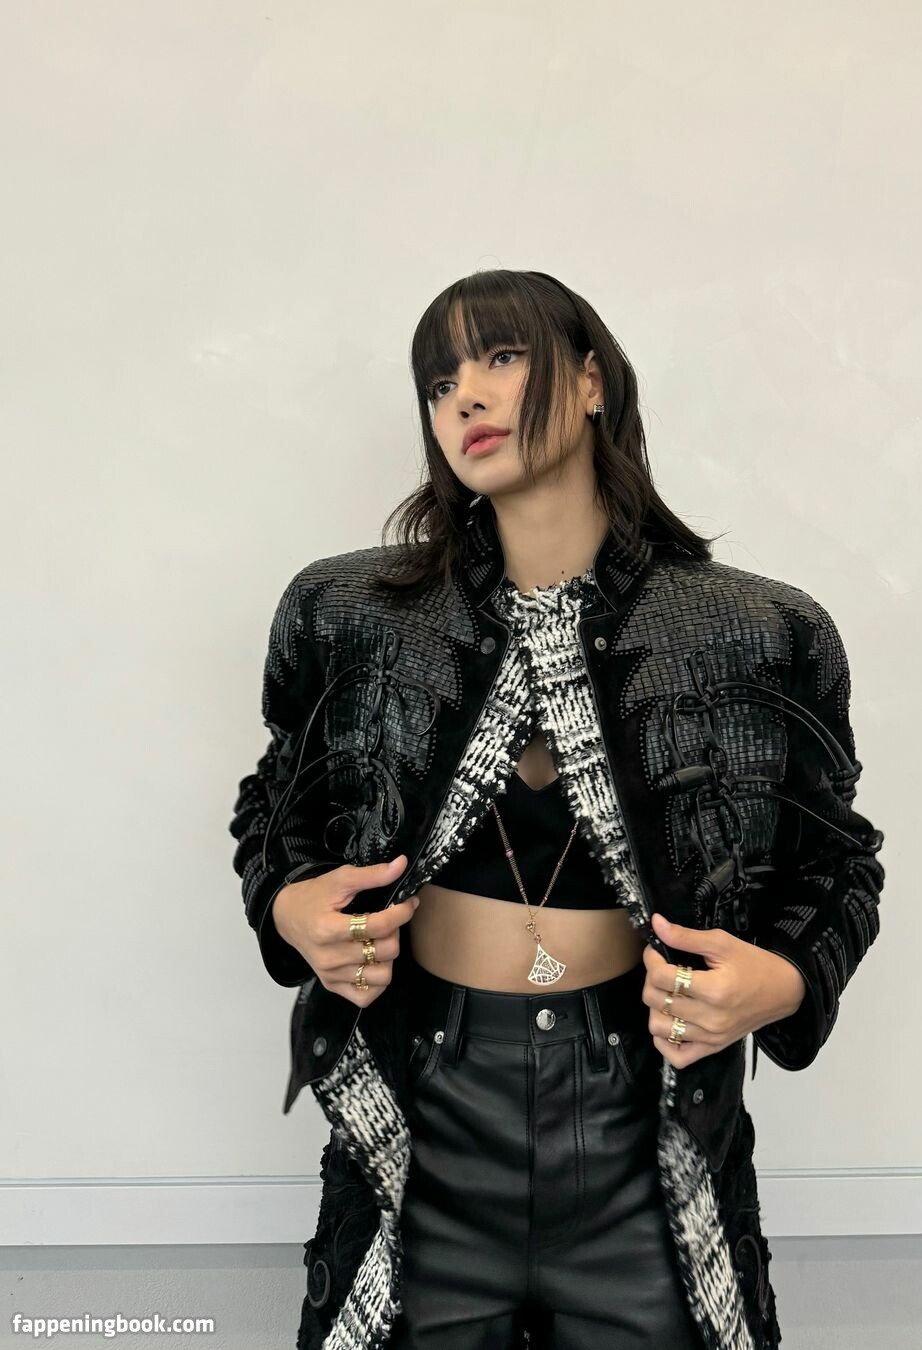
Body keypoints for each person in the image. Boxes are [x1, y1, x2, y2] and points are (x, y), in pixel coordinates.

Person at [229, 269, 887, 1350]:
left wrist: (781, 982)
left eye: (501, 357)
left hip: (642, 1114)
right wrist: (289, 907)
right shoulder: (346, 613)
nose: (466, 398)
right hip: (425, 1100)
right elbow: (274, 802)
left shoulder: (760, 631)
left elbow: (839, 866)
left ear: (589, 382)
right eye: (440, 383)